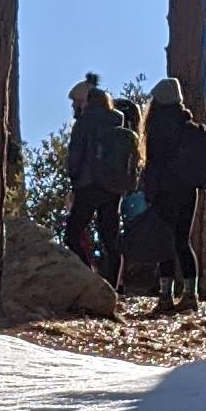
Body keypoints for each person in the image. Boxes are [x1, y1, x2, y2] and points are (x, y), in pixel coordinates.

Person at [139, 76, 206, 312]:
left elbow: (153, 163)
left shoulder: (157, 127)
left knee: (165, 241)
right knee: (183, 242)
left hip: (165, 190)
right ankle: (190, 295)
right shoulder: (191, 128)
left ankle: (166, 296)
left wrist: (149, 191)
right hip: (188, 190)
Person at [63, 73, 135, 278]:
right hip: (113, 186)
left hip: (89, 184)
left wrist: (74, 183)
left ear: (84, 101)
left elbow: (76, 157)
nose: (73, 107)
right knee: (110, 238)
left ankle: (89, 278)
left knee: (73, 234)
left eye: (76, 102)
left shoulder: (85, 123)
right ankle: (113, 287)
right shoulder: (118, 123)